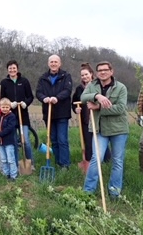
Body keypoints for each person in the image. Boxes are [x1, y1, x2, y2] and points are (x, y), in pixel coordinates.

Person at [81, 61, 129, 198]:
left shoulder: (120, 88)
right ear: (96, 73)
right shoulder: (92, 86)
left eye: (105, 70)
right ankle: (88, 192)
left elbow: (120, 108)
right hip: (99, 129)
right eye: (100, 70)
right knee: (97, 158)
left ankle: (114, 192)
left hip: (118, 130)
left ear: (111, 71)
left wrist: (99, 107)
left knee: (117, 161)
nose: (102, 72)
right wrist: (97, 96)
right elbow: (83, 97)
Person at [72, 63, 112, 173]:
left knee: (101, 141)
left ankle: (107, 162)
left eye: (86, 74)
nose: (84, 77)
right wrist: (76, 109)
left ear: (91, 74)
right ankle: (89, 164)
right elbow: (74, 102)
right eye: (82, 75)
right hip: (85, 120)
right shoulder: (79, 89)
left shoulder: (97, 86)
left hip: (98, 119)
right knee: (88, 142)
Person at [35, 55, 73, 169]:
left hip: (62, 113)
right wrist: (44, 98)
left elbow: (67, 90)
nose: (53, 64)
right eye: (51, 62)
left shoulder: (66, 76)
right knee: (54, 140)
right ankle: (58, 162)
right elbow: (38, 92)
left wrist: (57, 98)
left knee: (62, 140)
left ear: (59, 63)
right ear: (48, 64)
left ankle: (65, 164)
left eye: (56, 62)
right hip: (49, 114)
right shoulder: (43, 78)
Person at [0, 60, 34, 169]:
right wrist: (10, 104)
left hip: (23, 115)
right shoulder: (4, 83)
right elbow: (1, 99)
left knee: (26, 141)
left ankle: (30, 163)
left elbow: (30, 97)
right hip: (10, 116)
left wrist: (25, 103)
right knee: (13, 141)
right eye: (10, 68)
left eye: (14, 68)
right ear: (7, 70)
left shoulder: (24, 81)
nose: (12, 70)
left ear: (17, 69)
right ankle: (16, 164)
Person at [0, 98, 18, 181]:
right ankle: (6, 174)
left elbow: (9, 128)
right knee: (4, 159)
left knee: (10, 159)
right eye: (3, 107)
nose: (5, 109)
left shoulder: (11, 116)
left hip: (8, 142)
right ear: (0, 107)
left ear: (10, 107)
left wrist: (0, 134)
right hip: (0, 142)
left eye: (7, 107)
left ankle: (13, 175)